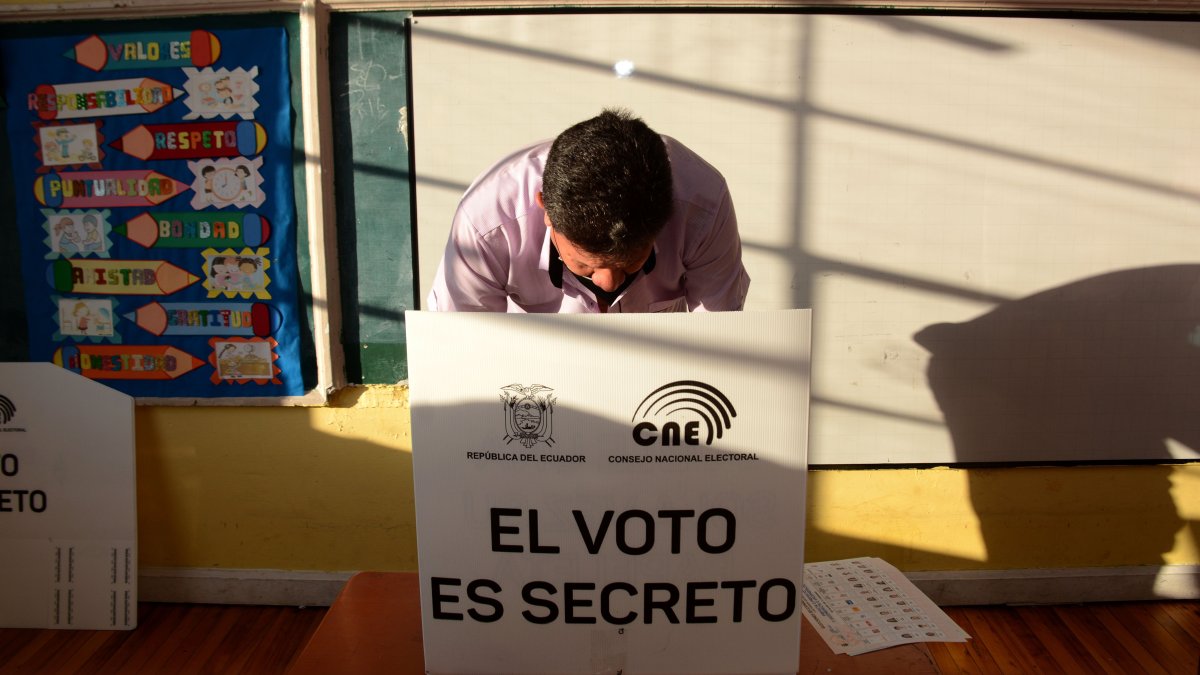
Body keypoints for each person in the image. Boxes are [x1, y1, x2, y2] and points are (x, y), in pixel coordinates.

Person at [427, 108, 749, 313]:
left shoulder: (702, 205)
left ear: (664, 218)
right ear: (547, 210)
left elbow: (718, 336)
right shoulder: (487, 225)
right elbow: (461, 349)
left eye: (630, 261)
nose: (608, 283)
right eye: (585, 264)